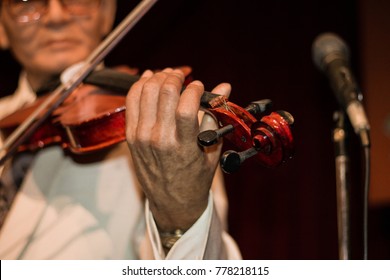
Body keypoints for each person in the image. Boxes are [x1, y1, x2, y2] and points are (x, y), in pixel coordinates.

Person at [0, 0, 241, 259]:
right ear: (2, 27)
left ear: (106, 14)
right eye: (26, 2)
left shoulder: (162, 124)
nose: (56, 17)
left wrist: (181, 216)